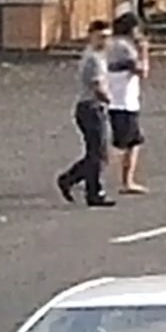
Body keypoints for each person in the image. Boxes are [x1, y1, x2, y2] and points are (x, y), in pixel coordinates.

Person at [57, 20, 115, 207]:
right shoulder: (93, 59)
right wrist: (110, 100)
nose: (104, 41)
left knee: (96, 153)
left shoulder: (98, 56)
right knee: (99, 154)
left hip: (92, 108)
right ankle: (74, 181)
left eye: (107, 37)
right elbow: (98, 86)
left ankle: (89, 189)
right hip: (91, 108)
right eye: (101, 37)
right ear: (91, 36)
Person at [107, 13, 148, 194]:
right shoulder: (125, 48)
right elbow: (142, 71)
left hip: (121, 100)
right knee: (121, 145)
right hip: (122, 101)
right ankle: (88, 172)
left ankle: (128, 181)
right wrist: (144, 51)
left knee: (133, 141)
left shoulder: (111, 45)